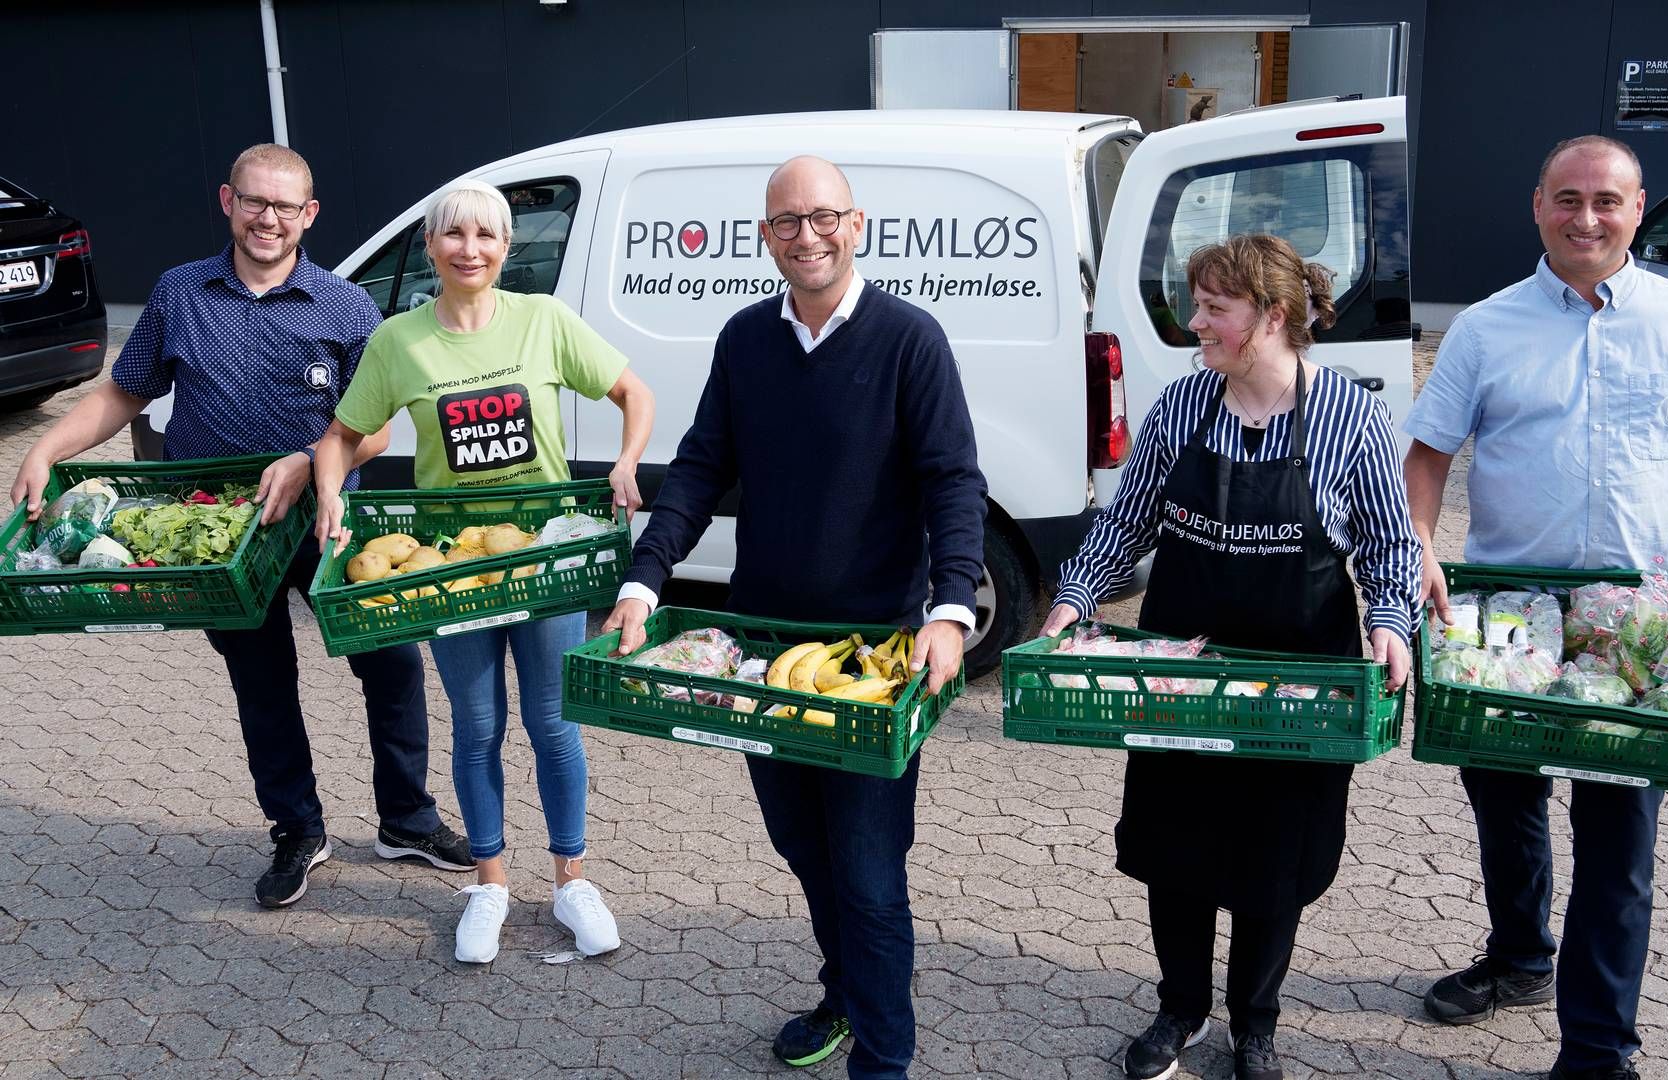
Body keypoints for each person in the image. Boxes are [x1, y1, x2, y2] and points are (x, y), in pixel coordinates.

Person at [1402, 135, 1668, 1080]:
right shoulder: (1486, 328)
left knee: (1620, 840)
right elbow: (1427, 457)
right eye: (1568, 199)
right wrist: (1415, 543)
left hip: (1642, 623)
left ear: (1637, 209)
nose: (1587, 218)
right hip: (1504, 610)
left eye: (1607, 202)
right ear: (1536, 205)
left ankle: (1598, 1049)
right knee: (1506, 805)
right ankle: (1519, 958)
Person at [600, 155, 987, 1080]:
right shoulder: (745, 340)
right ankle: (845, 994)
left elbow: (952, 483)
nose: (805, 236)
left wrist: (951, 607)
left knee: (867, 872)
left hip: (871, 662)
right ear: (764, 234)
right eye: (786, 222)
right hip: (762, 654)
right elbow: (698, 467)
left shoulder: (909, 340)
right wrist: (645, 581)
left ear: (858, 226)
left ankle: (882, 1061)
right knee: (803, 848)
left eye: (823, 218)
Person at [7, 144, 474, 908]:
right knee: (262, 682)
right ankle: (297, 829)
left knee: (390, 664)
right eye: (256, 201)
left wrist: (306, 457)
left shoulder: (346, 306)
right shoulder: (179, 293)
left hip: (327, 520)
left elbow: (378, 427)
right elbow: (124, 394)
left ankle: (407, 819)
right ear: (228, 200)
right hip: (217, 534)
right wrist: (47, 449)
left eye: (286, 207)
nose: (269, 219)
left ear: (309, 215)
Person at [1041, 233, 1421, 1080]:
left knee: (1272, 858)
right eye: (1198, 303)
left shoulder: (1349, 418)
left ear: (1273, 316)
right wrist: (1074, 598)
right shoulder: (1182, 406)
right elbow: (1125, 525)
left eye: (1216, 308)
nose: (1196, 321)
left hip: (1301, 684)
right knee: (1177, 846)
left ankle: (1257, 1023)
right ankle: (1180, 1008)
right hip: (1183, 674)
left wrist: (1391, 624)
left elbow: (1391, 549)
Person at [311, 179, 656, 965]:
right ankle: (491, 885)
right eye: (455, 236)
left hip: (541, 561)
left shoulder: (542, 321)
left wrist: (628, 463)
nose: (471, 250)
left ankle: (571, 881)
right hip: (449, 567)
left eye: (488, 237)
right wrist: (329, 491)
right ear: (431, 246)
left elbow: (634, 392)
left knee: (553, 724)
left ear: (506, 249)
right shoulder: (400, 341)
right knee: (477, 728)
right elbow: (341, 436)